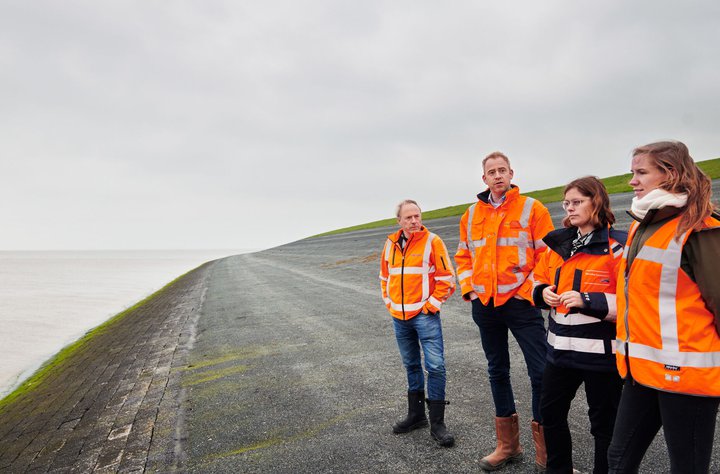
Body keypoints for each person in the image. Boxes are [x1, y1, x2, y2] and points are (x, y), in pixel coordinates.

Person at [607, 141, 720, 473]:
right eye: (632, 173)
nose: (632, 181)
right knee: (619, 459)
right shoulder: (642, 225)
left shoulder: (702, 227)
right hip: (641, 372)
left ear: (670, 174)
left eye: (641, 172)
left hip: (688, 378)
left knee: (687, 468)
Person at [454, 151, 554, 471]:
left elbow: (547, 256)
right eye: (491, 172)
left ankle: (546, 452)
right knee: (497, 371)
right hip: (485, 305)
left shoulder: (532, 208)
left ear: (511, 174)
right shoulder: (470, 215)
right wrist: (470, 288)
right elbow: (463, 256)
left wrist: (529, 292)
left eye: (502, 170)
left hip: (521, 304)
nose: (497, 176)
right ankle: (507, 446)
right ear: (484, 179)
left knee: (540, 372)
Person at [532, 177, 626, 474]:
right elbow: (536, 279)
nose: (569, 208)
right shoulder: (556, 246)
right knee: (550, 415)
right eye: (567, 203)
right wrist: (541, 292)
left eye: (577, 202)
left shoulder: (618, 247)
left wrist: (588, 300)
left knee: (604, 426)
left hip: (602, 358)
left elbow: (630, 300)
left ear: (596, 202)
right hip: (559, 353)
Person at [379, 199, 457, 447]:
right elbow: (384, 276)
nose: (414, 221)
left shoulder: (433, 242)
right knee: (411, 365)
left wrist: (431, 306)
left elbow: (447, 279)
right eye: (408, 217)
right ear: (399, 221)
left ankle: (437, 424)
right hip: (399, 317)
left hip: (424, 316)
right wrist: (389, 302)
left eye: (417, 216)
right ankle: (416, 416)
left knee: (435, 367)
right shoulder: (390, 243)